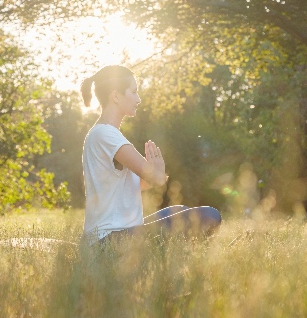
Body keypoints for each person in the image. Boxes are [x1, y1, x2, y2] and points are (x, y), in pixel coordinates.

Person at [80, 65, 221, 245]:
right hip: (108, 240)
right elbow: (156, 179)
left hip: (119, 233)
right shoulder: (106, 135)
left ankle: (186, 254)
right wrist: (158, 172)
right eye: (134, 92)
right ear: (115, 96)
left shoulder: (104, 134)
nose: (138, 99)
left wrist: (155, 173)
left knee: (180, 210)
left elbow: (137, 185)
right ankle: (186, 255)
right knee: (210, 215)